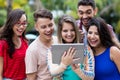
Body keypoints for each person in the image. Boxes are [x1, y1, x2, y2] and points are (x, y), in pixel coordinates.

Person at [25, 9, 75, 80]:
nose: (48, 29)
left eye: (50, 25)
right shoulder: (32, 50)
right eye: (43, 27)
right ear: (36, 27)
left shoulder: (59, 41)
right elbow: (31, 78)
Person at [48, 14, 95, 80]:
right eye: (65, 31)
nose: (69, 34)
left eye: (72, 30)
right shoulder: (53, 50)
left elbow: (91, 77)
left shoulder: (86, 49)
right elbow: (52, 72)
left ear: (76, 31)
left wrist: (78, 70)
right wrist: (64, 64)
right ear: (60, 32)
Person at [0, 9, 28, 80]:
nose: (21, 26)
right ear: (11, 23)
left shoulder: (25, 42)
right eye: (18, 23)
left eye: (24, 23)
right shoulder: (3, 44)